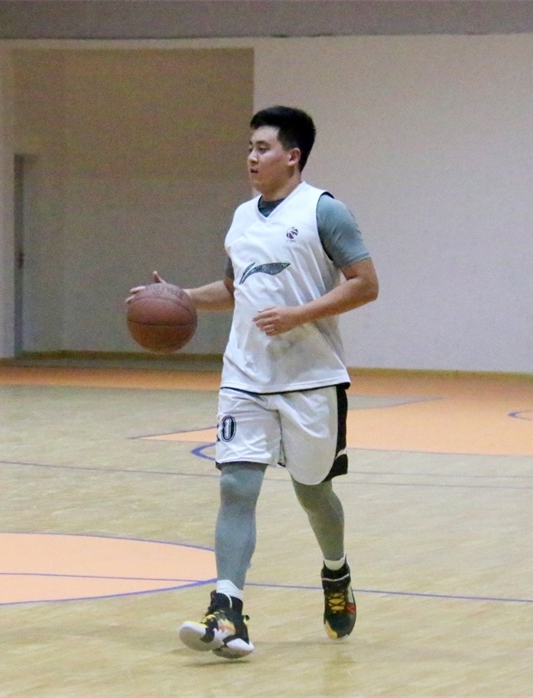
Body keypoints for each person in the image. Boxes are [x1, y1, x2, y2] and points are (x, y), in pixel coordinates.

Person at [128, 105, 379, 659]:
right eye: (249, 147)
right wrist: (178, 297)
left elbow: (365, 284)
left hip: (311, 378)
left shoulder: (324, 211)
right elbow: (234, 289)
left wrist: (299, 314)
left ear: (292, 156)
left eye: (262, 148)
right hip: (244, 376)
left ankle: (335, 571)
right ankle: (227, 610)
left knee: (314, 493)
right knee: (236, 487)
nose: (251, 157)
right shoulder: (242, 217)